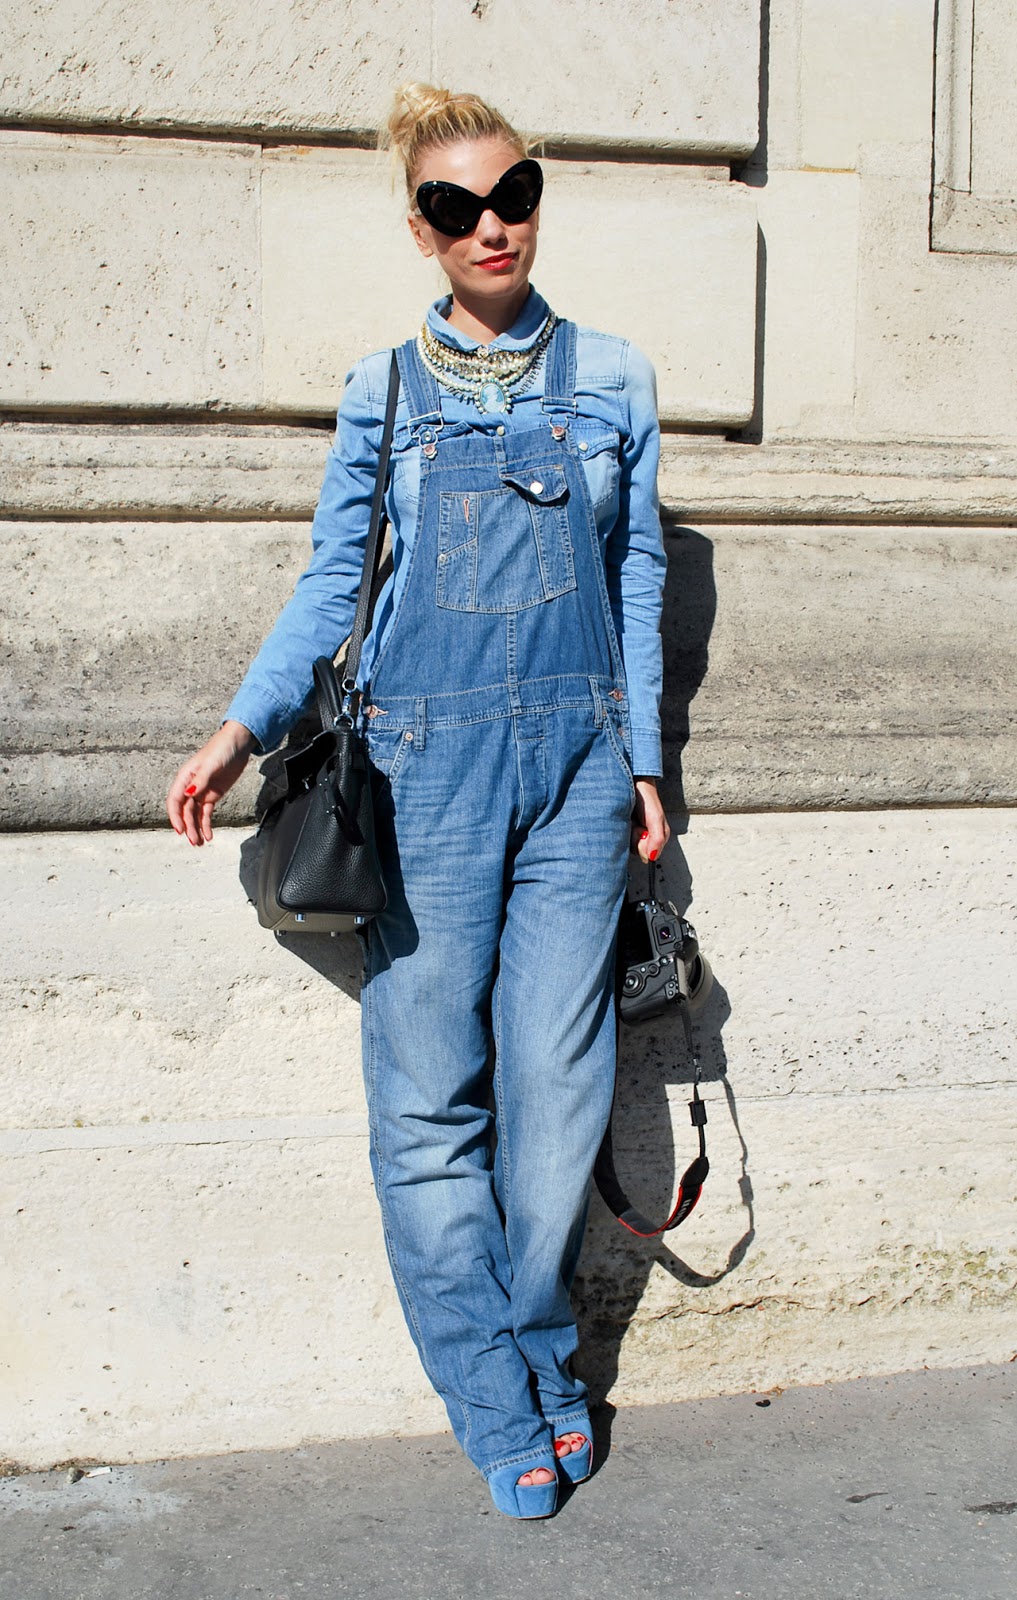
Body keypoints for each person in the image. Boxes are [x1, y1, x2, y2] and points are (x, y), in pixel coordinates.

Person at [166, 82, 669, 1520]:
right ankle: (497, 1385)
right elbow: (333, 581)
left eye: (511, 195)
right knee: (427, 1099)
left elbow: (632, 574)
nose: (490, 225)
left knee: (561, 1093)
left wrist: (641, 763)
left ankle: (527, 1343)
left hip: (577, 766)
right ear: (420, 229)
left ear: (534, 199)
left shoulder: (618, 379)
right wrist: (233, 731)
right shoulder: (383, 390)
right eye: (456, 208)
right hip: (425, 771)